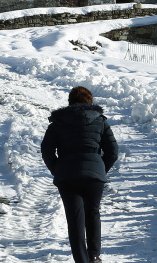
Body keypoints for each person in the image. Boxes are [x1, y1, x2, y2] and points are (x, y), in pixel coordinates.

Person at [41, 86, 119, 263]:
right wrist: (100, 169)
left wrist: (58, 170)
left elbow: (46, 150)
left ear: (70, 103)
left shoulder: (58, 122)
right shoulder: (101, 121)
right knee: (93, 212)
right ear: (90, 102)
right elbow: (113, 151)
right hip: (94, 177)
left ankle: (82, 260)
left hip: (67, 176)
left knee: (74, 219)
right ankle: (94, 256)